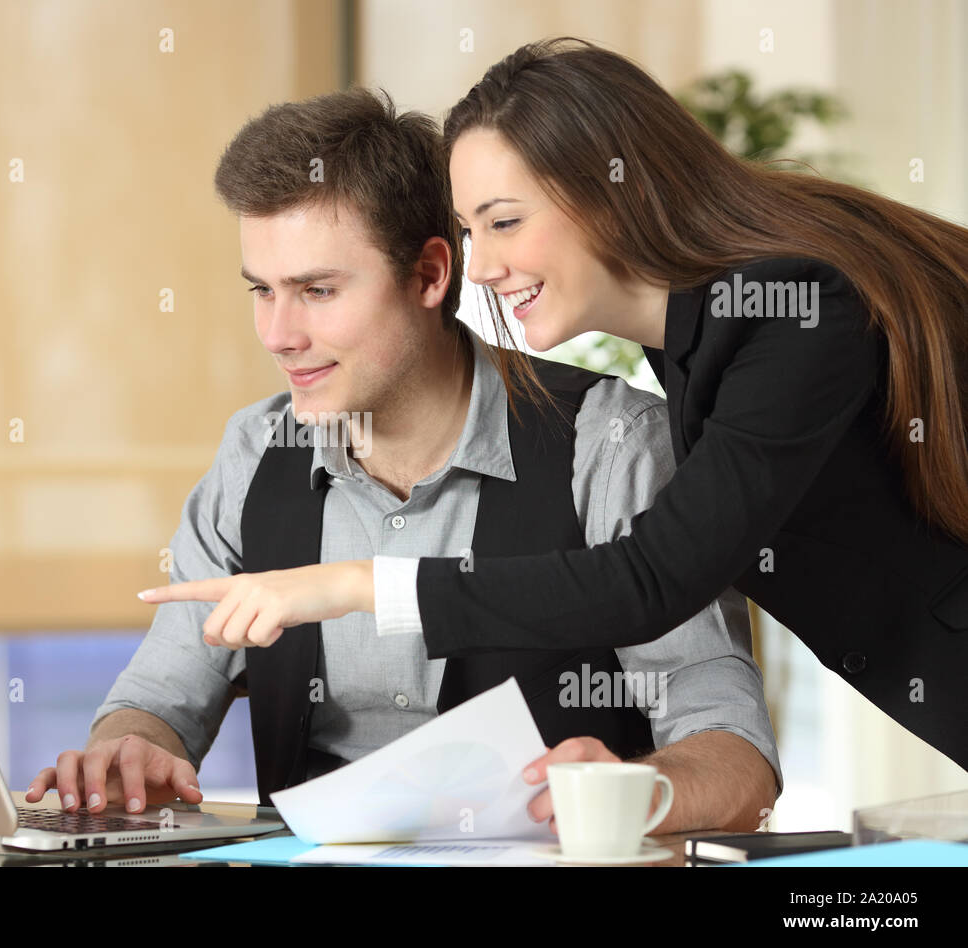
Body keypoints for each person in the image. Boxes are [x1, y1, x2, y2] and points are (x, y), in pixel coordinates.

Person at [143, 37, 968, 772]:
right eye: (472, 232)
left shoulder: (785, 314)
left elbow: (650, 579)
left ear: (613, 192)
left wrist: (362, 586)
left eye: (505, 222)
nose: (484, 267)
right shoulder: (697, 350)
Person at [29, 86, 781, 831]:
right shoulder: (254, 454)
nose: (278, 334)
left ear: (430, 274)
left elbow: (736, 761)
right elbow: (161, 698)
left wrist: (632, 791)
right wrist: (128, 751)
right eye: (262, 290)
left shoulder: (611, 445)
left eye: (317, 290)